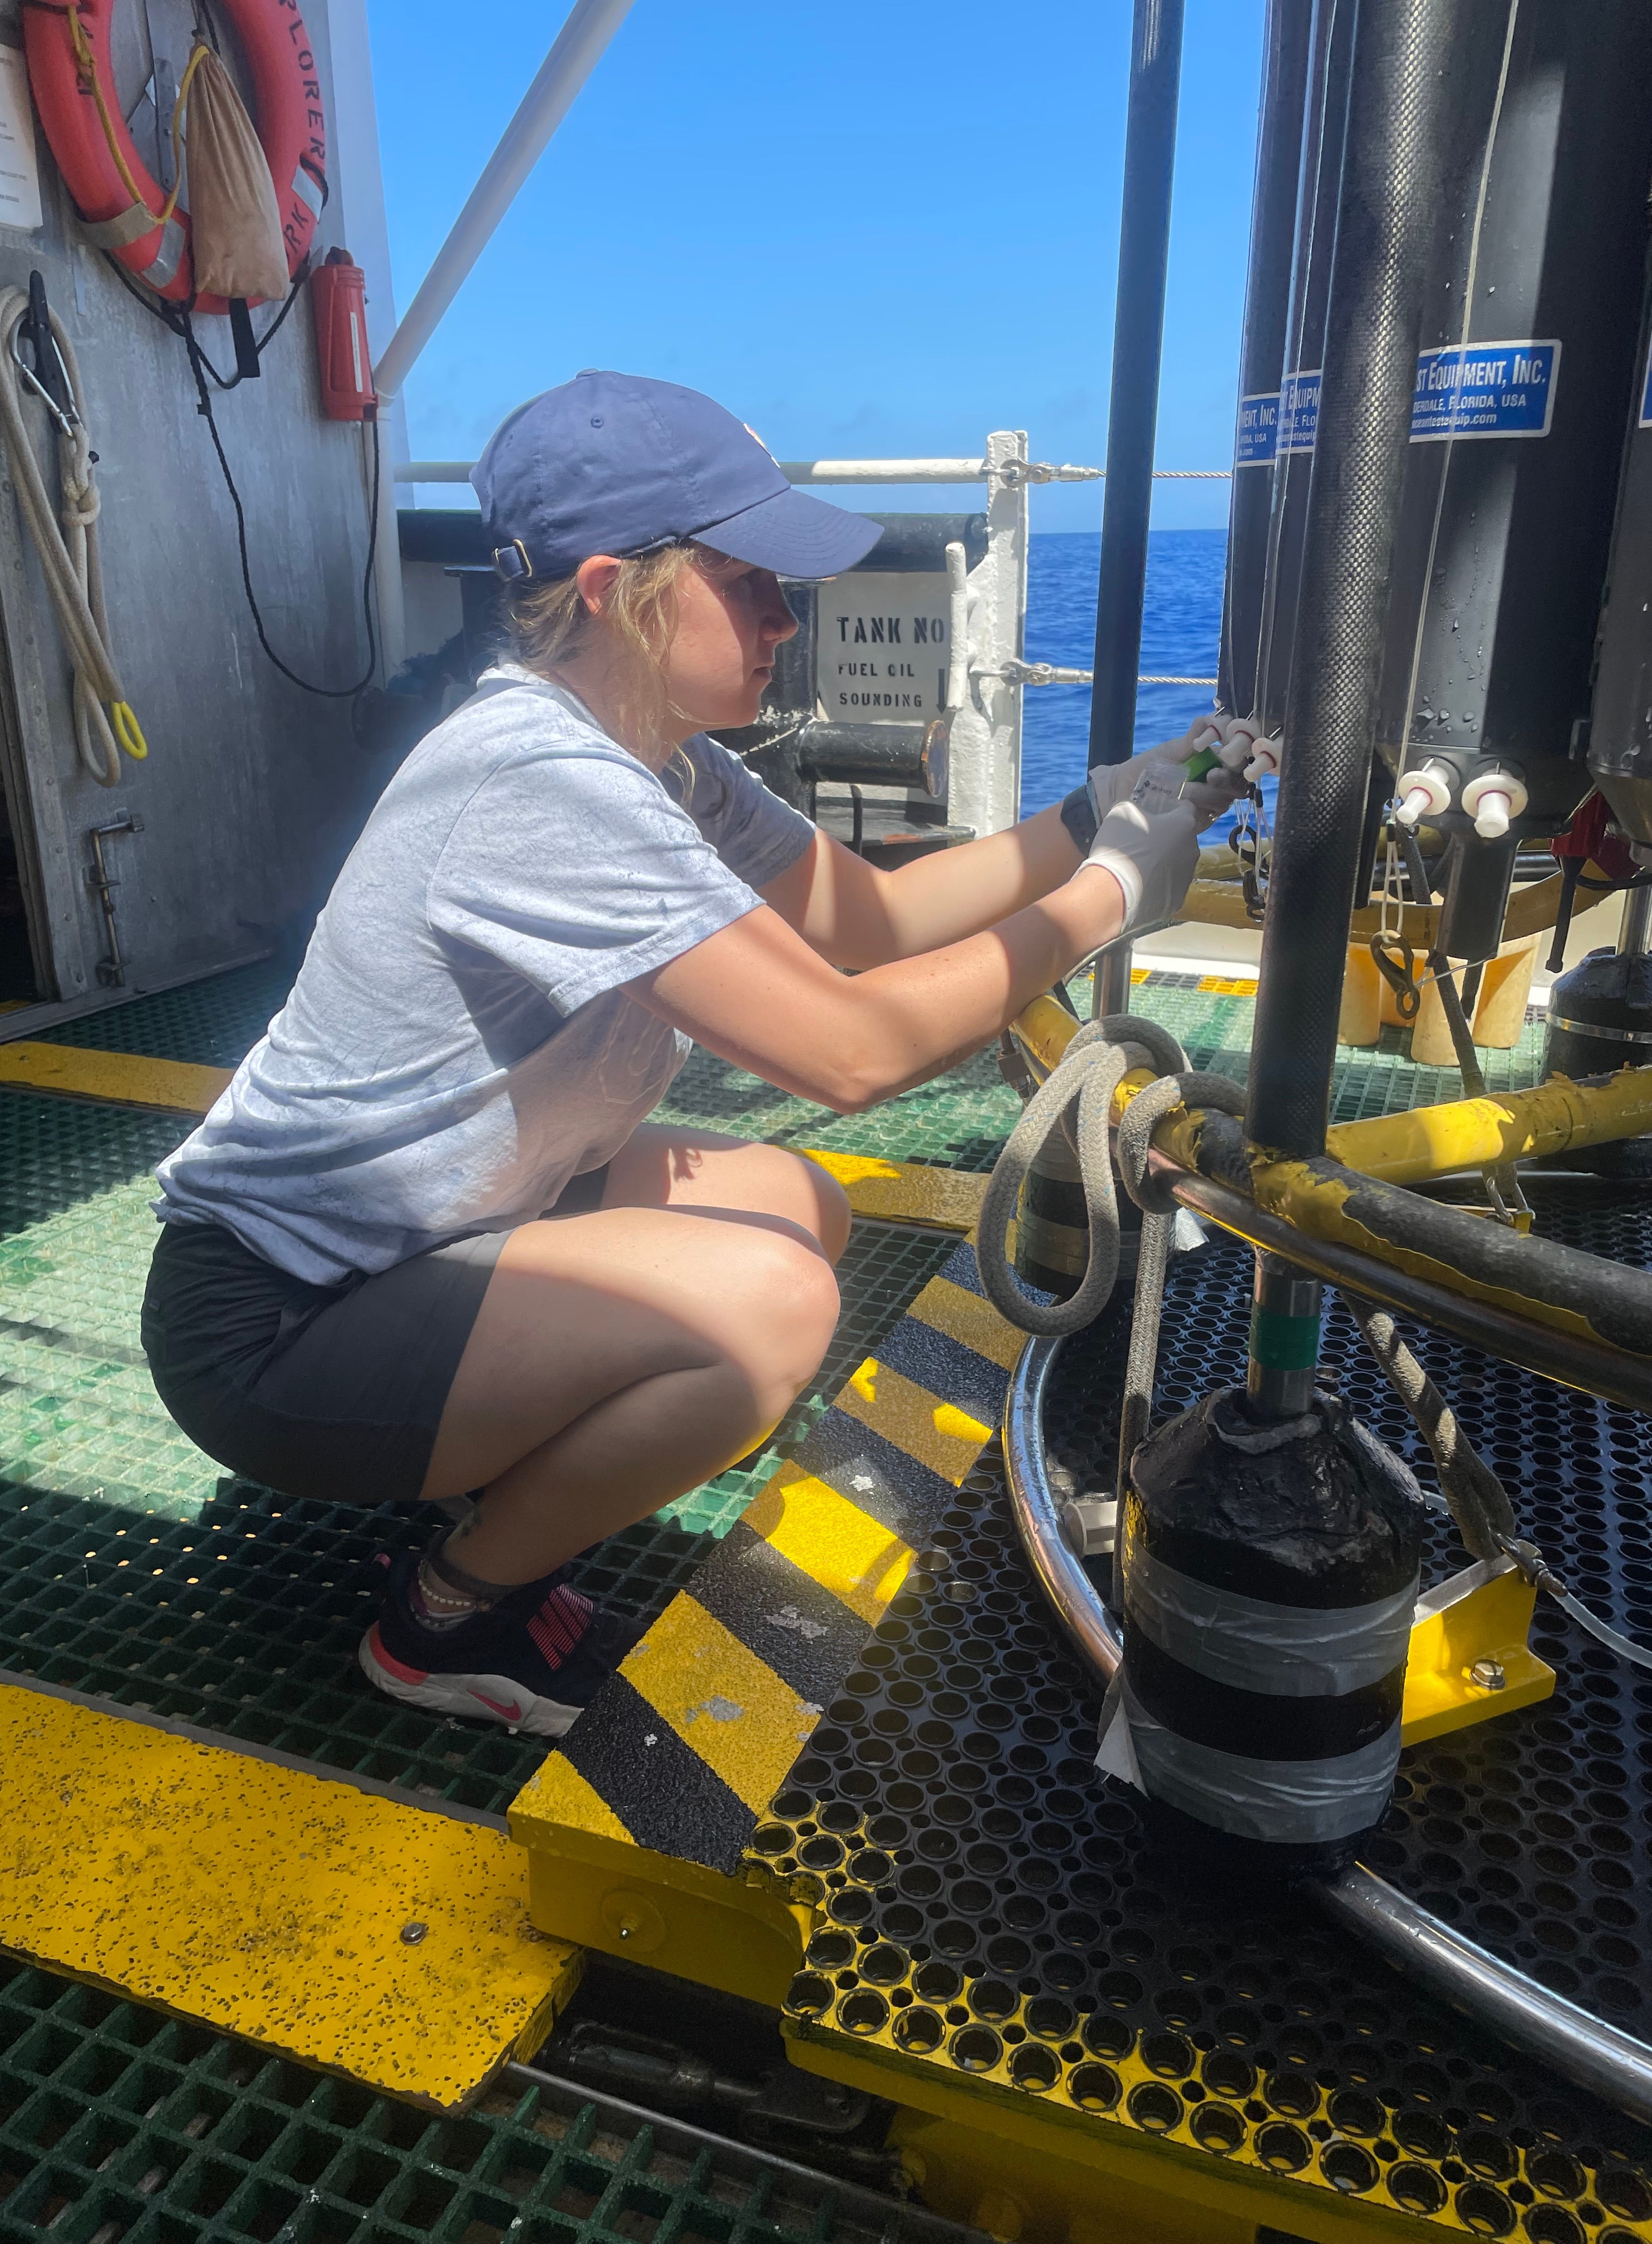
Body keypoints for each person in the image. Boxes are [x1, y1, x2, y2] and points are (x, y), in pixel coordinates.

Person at [140, 371, 1256, 1738]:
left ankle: (479, 1460)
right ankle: (442, 1618)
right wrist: (1115, 899)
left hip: (427, 1228)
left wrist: (1104, 808)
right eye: (753, 584)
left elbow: (879, 918)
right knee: (766, 1313)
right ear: (617, 590)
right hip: (274, 1324)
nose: (790, 617)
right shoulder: (539, 779)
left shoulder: (650, 755)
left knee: (806, 1207)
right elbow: (852, 1049)